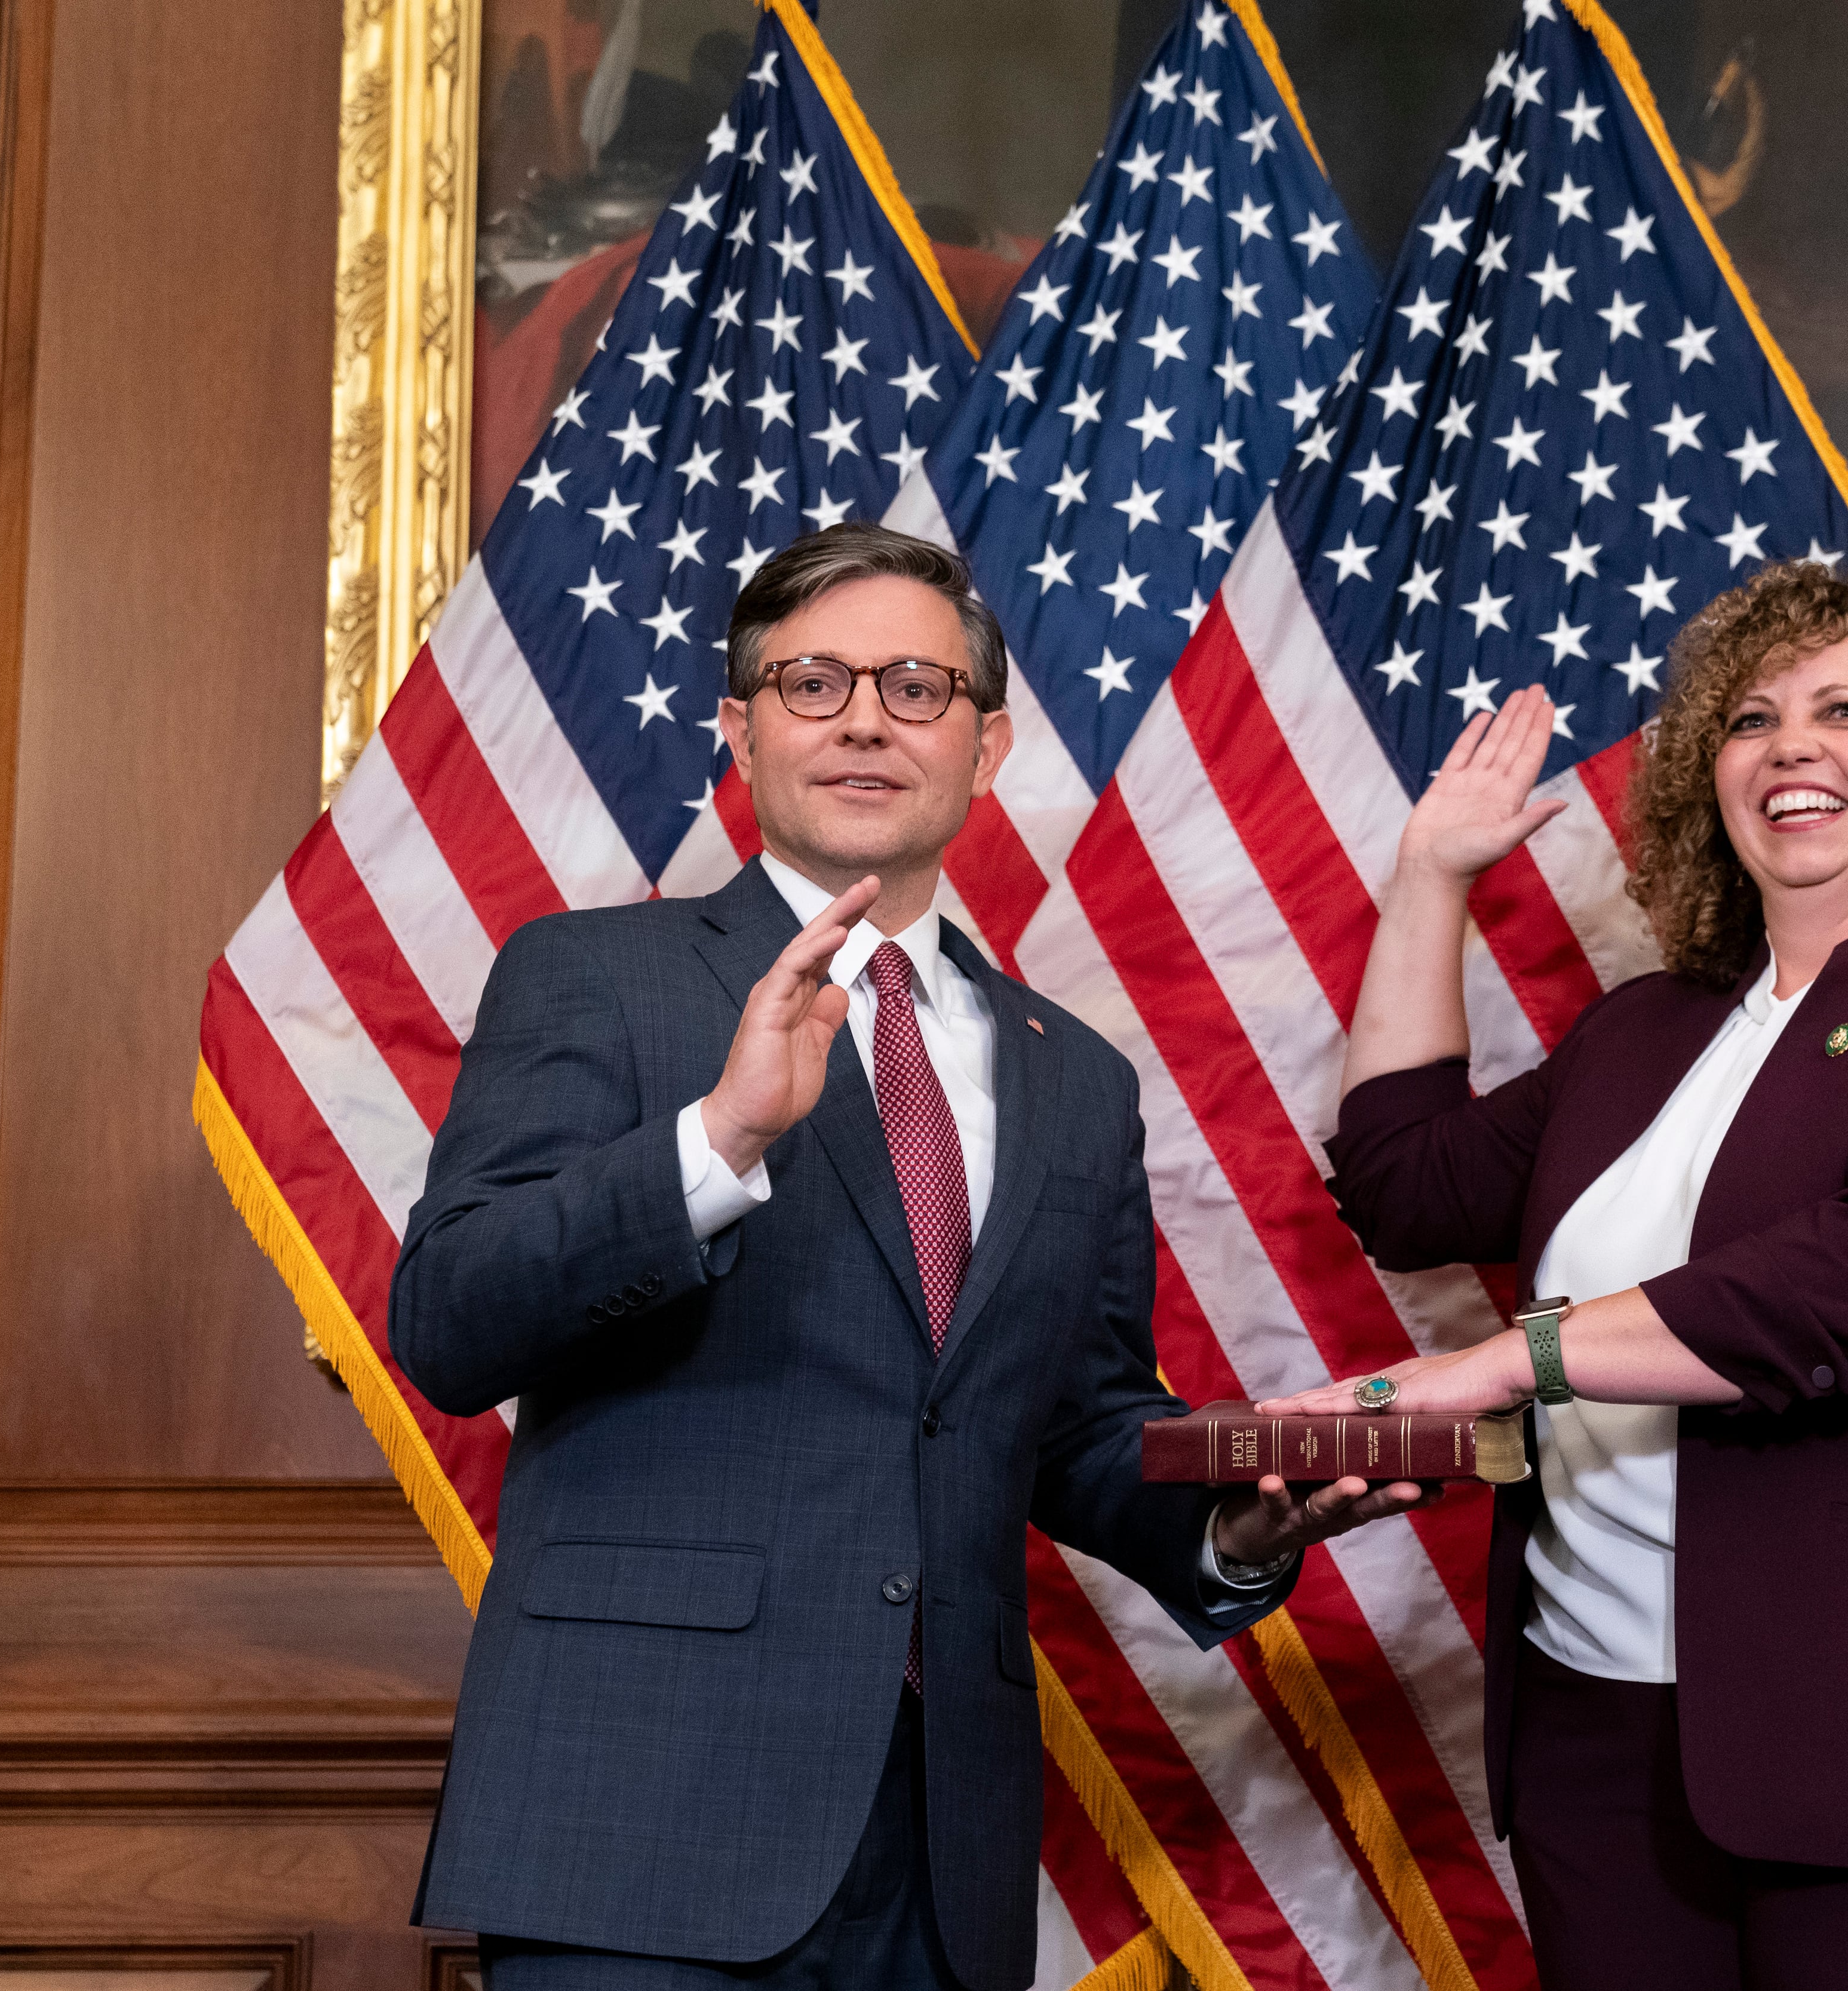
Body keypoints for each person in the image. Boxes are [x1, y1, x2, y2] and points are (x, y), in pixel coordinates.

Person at [391, 522, 1422, 1991]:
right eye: (813, 683)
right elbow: (449, 1316)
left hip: (945, 1846)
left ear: (987, 745)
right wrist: (717, 1142)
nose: (866, 716)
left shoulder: (1077, 1079)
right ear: (740, 732)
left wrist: (1234, 1523)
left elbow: (1071, 1422)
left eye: (917, 688)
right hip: (642, 1815)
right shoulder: (594, 975)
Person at [1269, 562, 1848, 1989]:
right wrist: (1431, 873)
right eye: (1750, 719)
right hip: (1603, 1756)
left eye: (1845, 710)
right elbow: (1405, 1182)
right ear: (1708, 782)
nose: (1791, 744)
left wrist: (1513, 1357)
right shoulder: (1645, 1033)